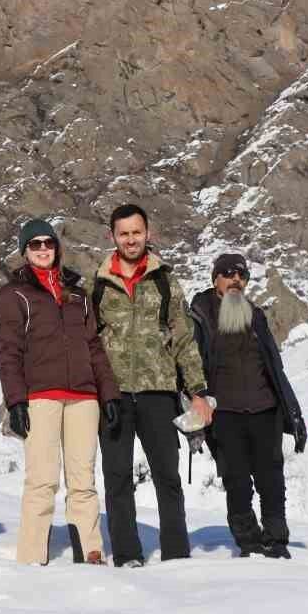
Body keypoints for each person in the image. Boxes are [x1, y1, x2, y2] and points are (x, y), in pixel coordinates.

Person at [0, 218, 122, 566]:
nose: (42, 249)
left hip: (84, 397)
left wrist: (109, 394)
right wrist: (15, 401)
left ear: (57, 247)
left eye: (48, 243)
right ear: (25, 251)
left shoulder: (78, 295)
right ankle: (32, 557)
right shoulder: (14, 294)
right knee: (42, 480)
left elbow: (94, 347)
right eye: (34, 244)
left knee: (83, 480)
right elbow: (9, 352)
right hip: (41, 397)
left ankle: (90, 552)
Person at [93, 203, 211, 566]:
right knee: (116, 477)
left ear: (148, 233)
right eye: (124, 233)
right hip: (113, 395)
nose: (131, 239)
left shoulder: (165, 281)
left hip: (158, 392)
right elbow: (88, 342)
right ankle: (127, 553)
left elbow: (184, 339)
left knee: (167, 475)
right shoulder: (98, 284)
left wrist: (198, 392)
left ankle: (176, 552)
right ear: (112, 236)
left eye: (136, 232)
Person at [188, 252, 307, 558]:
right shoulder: (200, 315)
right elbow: (190, 365)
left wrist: (292, 413)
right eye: (228, 274)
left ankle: (276, 540)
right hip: (224, 415)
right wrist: (194, 408)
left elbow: (275, 367)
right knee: (237, 481)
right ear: (215, 279)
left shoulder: (256, 315)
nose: (236, 280)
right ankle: (249, 542)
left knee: (272, 480)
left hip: (265, 410)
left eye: (242, 275)